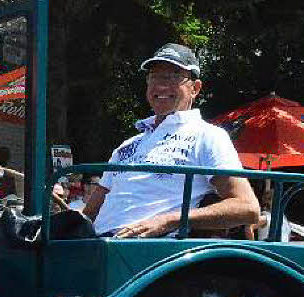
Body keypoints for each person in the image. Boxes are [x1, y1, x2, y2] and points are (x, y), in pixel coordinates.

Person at [83, 43, 259, 238]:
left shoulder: (207, 136)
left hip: (149, 248)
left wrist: (168, 220)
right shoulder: (127, 146)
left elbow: (247, 207)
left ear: (195, 88)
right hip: (97, 245)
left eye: (174, 76)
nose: (161, 85)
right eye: (154, 76)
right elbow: (88, 214)